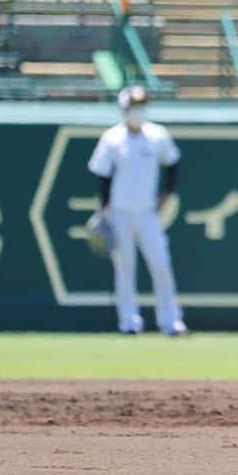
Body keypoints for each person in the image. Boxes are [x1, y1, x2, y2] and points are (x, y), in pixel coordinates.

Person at [88, 85, 188, 337]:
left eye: (141, 106)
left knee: (161, 265)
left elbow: (173, 162)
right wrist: (105, 211)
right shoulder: (112, 138)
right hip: (119, 213)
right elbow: (103, 176)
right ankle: (129, 323)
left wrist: (167, 193)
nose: (138, 111)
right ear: (124, 109)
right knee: (125, 269)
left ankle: (171, 321)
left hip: (147, 213)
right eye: (134, 106)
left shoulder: (157, 135)